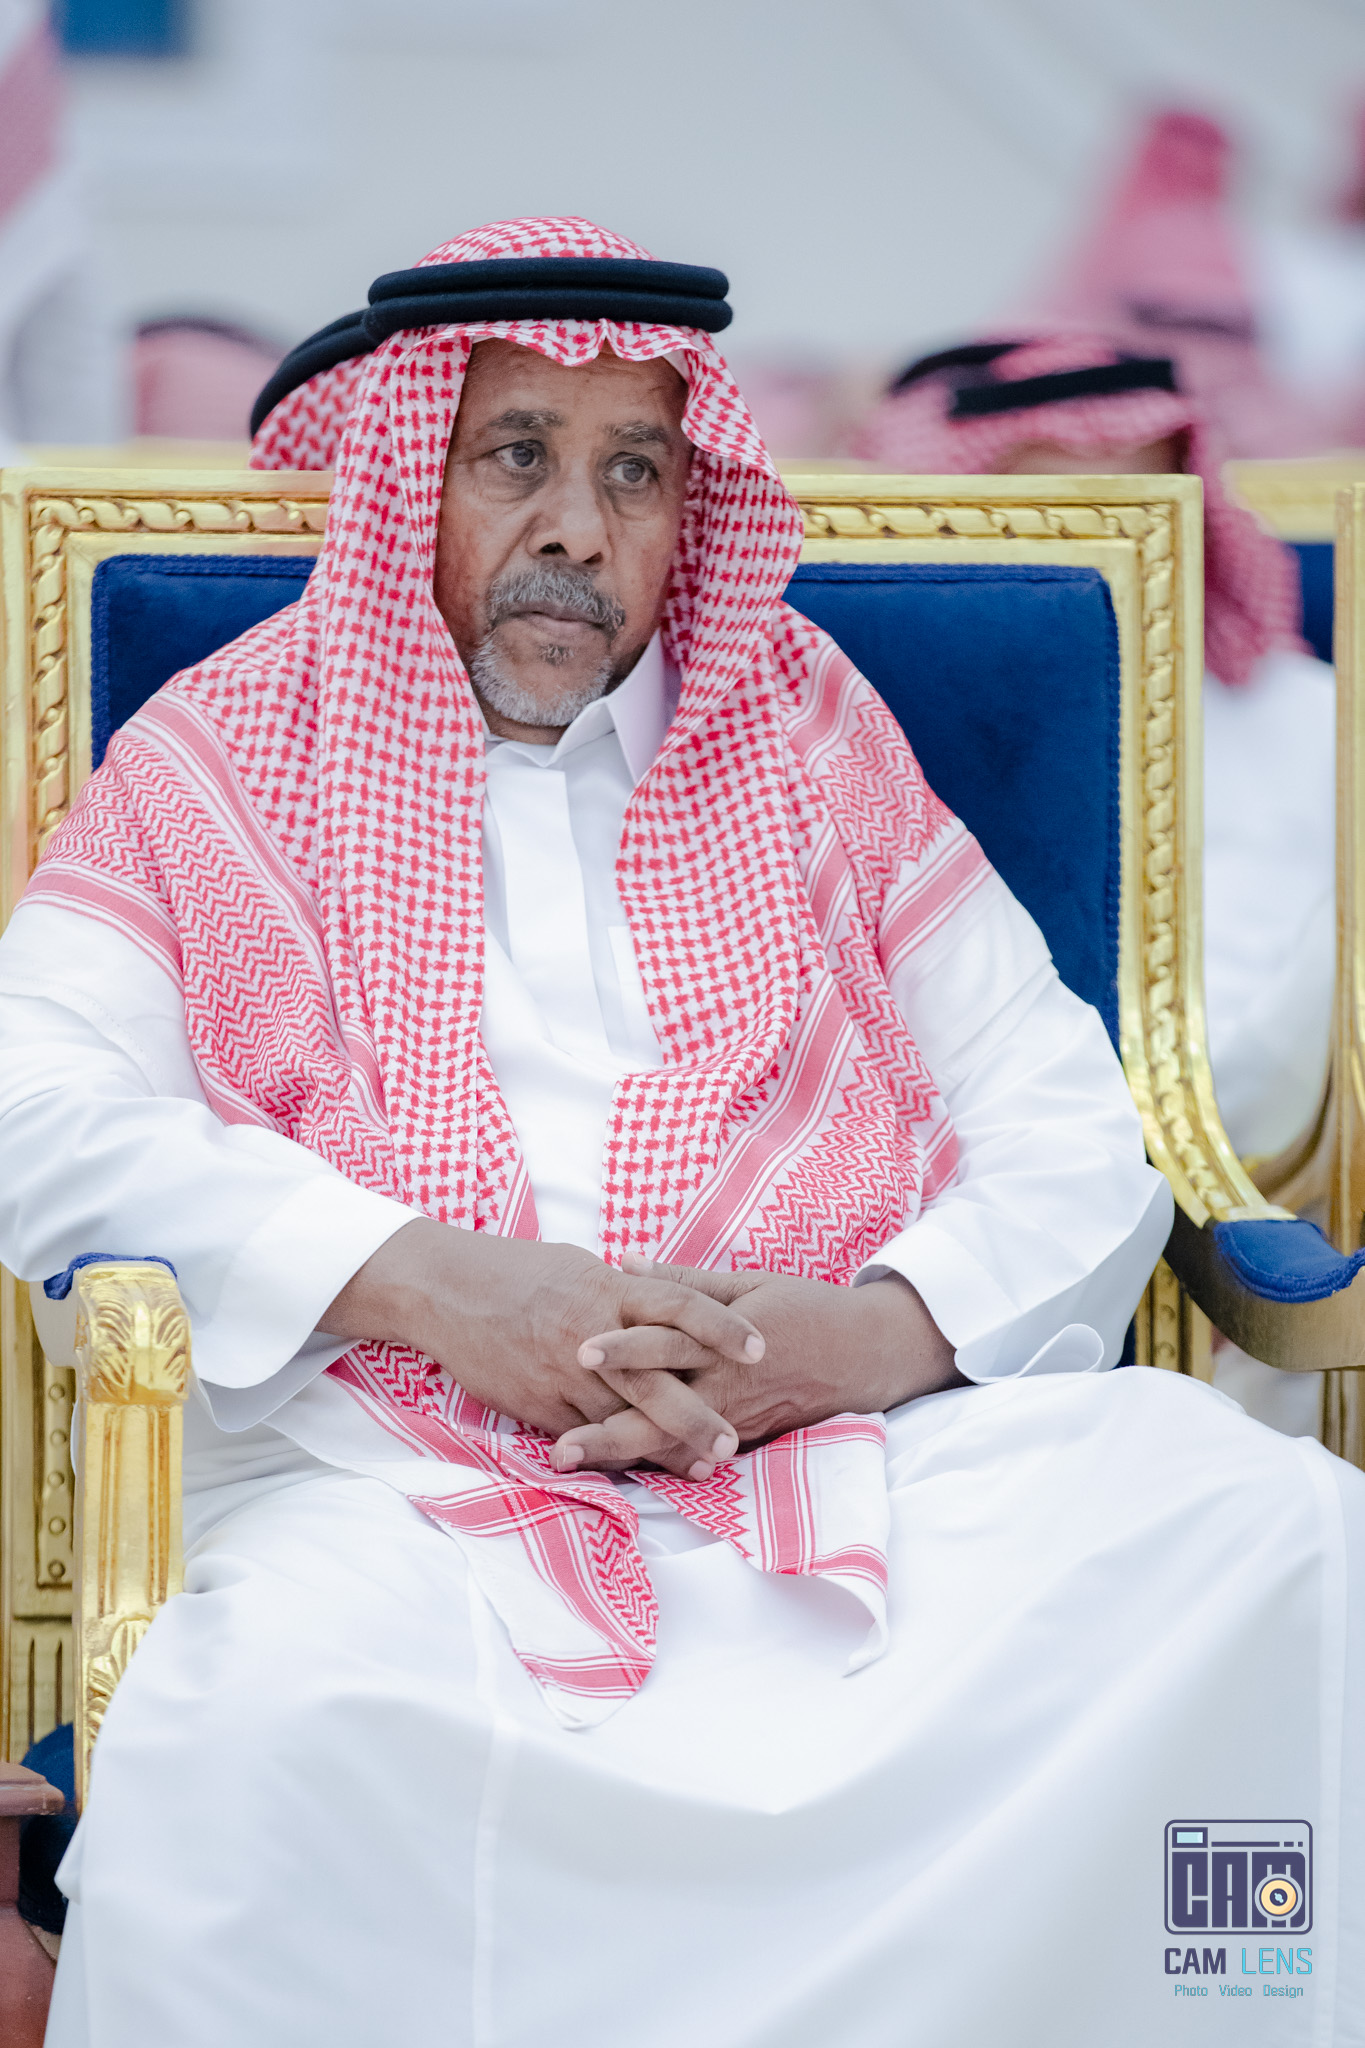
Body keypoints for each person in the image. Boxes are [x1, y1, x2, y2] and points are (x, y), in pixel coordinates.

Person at [0, 218, 1359, 2048]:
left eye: (634, 470)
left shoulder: (806, 731)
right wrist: (436, 1286)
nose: (579, 526)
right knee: (272, 1728)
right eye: (517, 456)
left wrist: (869, 1337)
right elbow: (38, 1110)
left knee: (1266, 1528)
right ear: (411, 479)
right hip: (393, 1482)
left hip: (841, 1447)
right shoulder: (220, 752)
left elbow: (1069, 1120)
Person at [853, 333, 1335, 1439]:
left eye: (1141, 500)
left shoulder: (1314, 720)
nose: (1112, 549)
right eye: (1065, 503)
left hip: (1262, 1214)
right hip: (931, 1219)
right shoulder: (856, 724)